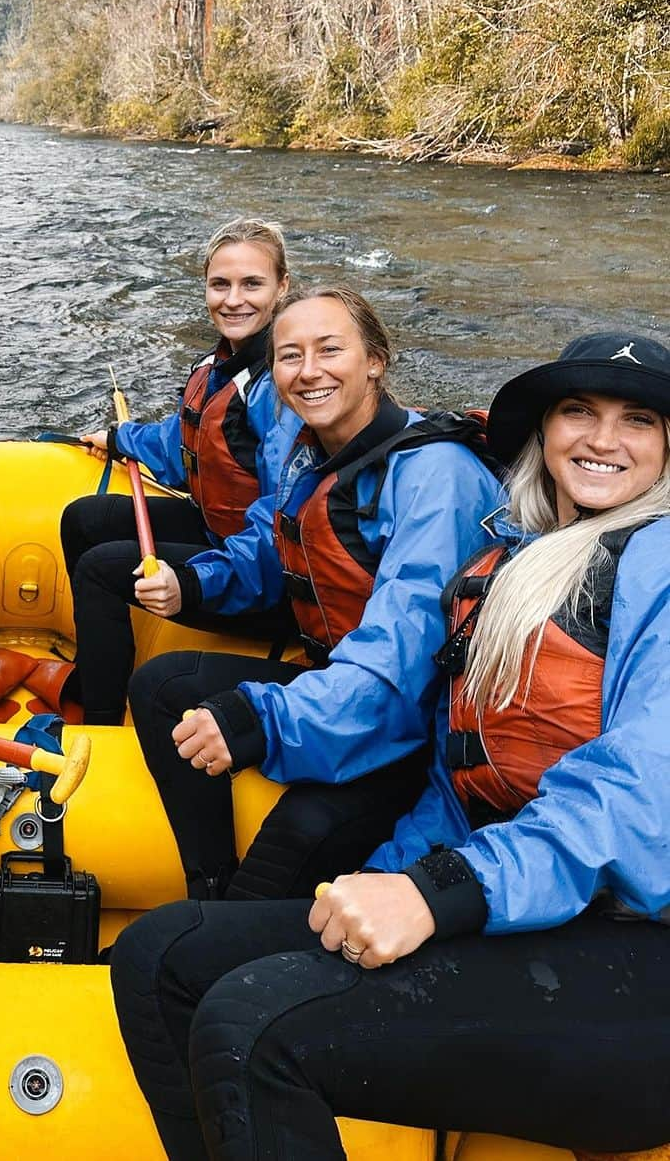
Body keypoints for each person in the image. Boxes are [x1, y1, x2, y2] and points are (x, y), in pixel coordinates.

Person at [112, 331, 670, 1160]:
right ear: (545, 432)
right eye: (578, 411)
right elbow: (463, 773)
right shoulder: (523, 553)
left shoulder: (657, 560)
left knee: (254, 1025)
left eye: (638, 421)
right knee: (161, 954)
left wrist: (440, 891)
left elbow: (637, 794)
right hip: (524, 907)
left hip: (634, 954)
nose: (600, 438)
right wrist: (395, 873)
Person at [128, 286, 503, 900]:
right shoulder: (308, 451)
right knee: (161, 686)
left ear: (375, 360)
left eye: (330, 350)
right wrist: (195, 582)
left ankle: (230, 921)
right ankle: (207, 885)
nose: (308, 372)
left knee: (297, 840)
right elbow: (274, 551)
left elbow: (401, 663)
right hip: (344, 681)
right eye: (289, 356)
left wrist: (264, 721)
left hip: (422, 727)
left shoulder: (437, 478)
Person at [60, 219, 302, 723]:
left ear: (282, 287)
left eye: (252, 284)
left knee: (100, 570)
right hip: (222, 534)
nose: (233, 300)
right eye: (221, 284)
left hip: (269, 578)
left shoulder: (285, 386)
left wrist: (192, 580)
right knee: (84, 520)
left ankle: (99, 724)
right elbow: (183, 441)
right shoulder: (223, 364)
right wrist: (119, 438)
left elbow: (282, 522)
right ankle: (95, 671)